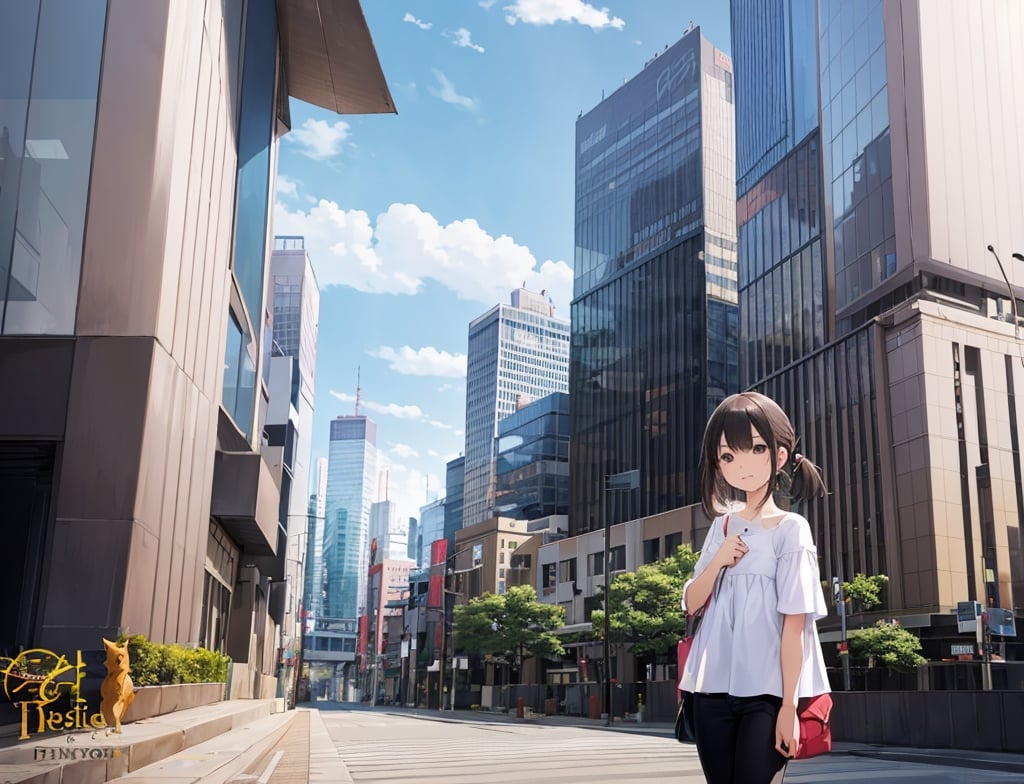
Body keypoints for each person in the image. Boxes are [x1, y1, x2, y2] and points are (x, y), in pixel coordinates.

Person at [679, 391, 830, 784]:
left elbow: (795, 626)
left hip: (766, 695)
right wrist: (719, 559)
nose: (741, 465)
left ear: (780, 456)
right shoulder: (722, 527)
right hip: (710, 691)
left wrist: (788, 708)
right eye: (728, 456)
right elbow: (692, 602)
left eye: (756, 449)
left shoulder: (791, 530)